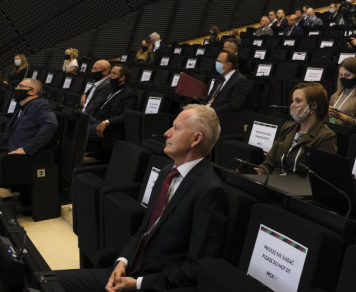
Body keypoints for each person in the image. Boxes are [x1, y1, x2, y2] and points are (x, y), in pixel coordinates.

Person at [58, 105, 228, 291]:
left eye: (176, 128)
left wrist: (138, 284)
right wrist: (123, 261)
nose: (167, 133)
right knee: (47, 282)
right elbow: (145, 230)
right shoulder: (167, 172)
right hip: (130, 272)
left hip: (156, 284)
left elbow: (196, 268)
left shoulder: (209, 190)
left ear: (196, 138)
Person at [258, 83, 337, 176]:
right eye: (293, 101)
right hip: (272, 181)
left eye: (298, 101)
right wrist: (257, 173)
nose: (292, 105)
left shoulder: (326, 137)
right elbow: (268, 164)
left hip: (297, 184)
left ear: (313, 105)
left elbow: (318, 177)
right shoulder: (287, 127)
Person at [88, 65, 138, 141]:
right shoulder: (110, 89)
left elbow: (126, 116)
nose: (109, 76)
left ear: (122, 78)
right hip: (96, 119)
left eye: (113, 73)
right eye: (110, 73)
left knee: (81, 129)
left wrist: (107, 122)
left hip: (108, 125)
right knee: (76, 119)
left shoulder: (129, 94)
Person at [328, 57, 356, 131]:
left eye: (347, 75)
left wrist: (342, 116)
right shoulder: (335, 96)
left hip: (347, 134)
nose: (343, 78)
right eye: (341, 75)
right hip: (332, 131)